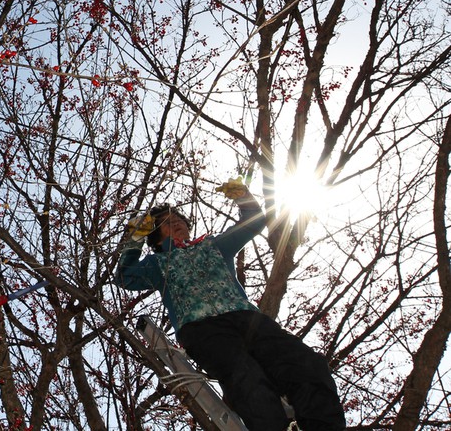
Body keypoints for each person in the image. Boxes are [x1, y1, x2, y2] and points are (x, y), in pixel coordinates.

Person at [114, 182, 346, 431]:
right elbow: (125, 276)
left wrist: (244, 197)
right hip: (202, 329)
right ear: (157, 237)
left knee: (304, 364)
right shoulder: (157, 263)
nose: (176, 223)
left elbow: (254, 222)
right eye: (167, 223)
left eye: (178, 218)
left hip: (248, 319)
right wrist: (135, 238)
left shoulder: (214, 245)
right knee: (245, 379)